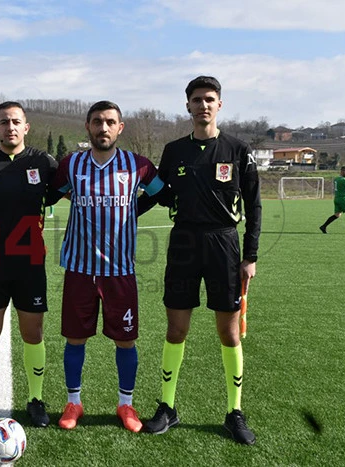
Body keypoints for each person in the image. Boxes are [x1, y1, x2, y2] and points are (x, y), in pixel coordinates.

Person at [141, 76, 262, 445]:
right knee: (176, 329)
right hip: (183, 243)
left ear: (219, 104)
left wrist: (251, 255)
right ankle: (167, 407)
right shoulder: (174, 150)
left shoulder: (238, 150)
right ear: (188, 106)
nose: (203, 105)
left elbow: (255, 205)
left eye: (209, 99)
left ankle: (234, 412)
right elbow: (158, 193)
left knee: (228, 332)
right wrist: (121, 213)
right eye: (197, 100)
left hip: (225, 244)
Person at [49, 100, 164, 432]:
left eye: (110, 122)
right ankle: (73, 402)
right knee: (75, 338)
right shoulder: (71, 164)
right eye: (97, 121)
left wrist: (133, 209)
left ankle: (126, 404)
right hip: (79, 269)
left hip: (120, 271)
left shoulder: (138, 165)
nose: (103, 127)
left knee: (125, 341)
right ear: (87, 126)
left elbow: (159, 193)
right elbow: (51, 194)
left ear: (120, 128)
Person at [0, 101, 58, 428]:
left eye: (16, 121)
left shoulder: (44, 162)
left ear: (26, 127)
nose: (10, 127)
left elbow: (59, 191)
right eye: (4, 122)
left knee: (33, 333)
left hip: (31, 261)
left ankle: (36, 399)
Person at [319, 166, 345, 233]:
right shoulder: (344, 180)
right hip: (343, 199)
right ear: (342, 171)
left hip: (337, 199)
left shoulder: (336, 179)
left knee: (337, 215)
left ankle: (323, 226)